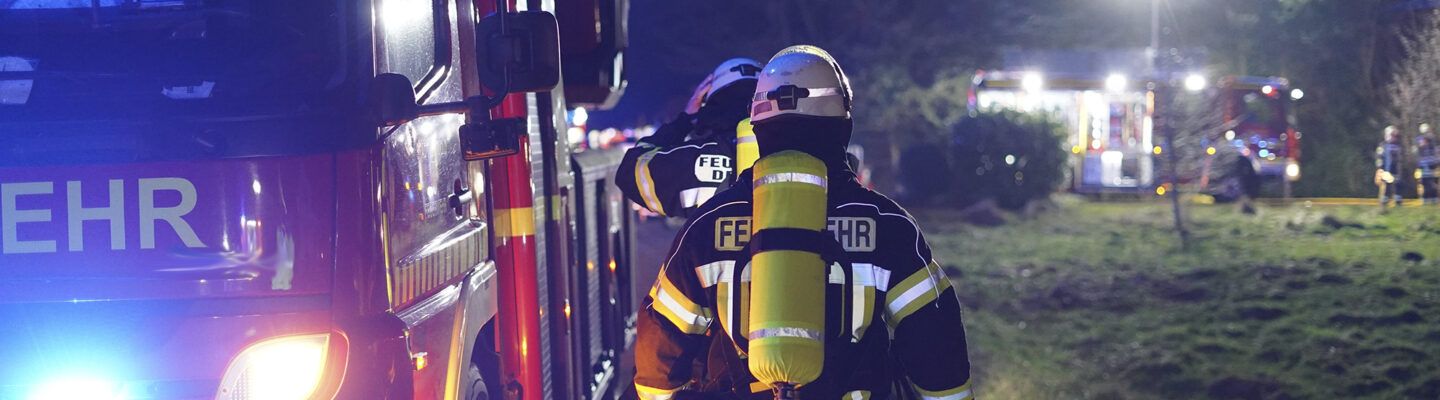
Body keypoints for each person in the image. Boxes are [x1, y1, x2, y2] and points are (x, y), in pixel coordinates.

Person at [633, 45, 974, 400]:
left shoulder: (707, 226)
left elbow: (659, 359)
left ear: (758, 127)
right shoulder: (888, 226)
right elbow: (938, 351)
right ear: (843, 125)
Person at [617, 58, 763, 218]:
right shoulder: (792, 154)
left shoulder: (694, 157)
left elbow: (630, 171)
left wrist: (684, 121)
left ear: (710, 104)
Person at [1377, 126, 1403, 208]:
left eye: (1395, 135)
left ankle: (1398, 202)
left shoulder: (1398, 146)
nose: (1393, 137)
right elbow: (1379, 157)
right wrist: (1380, 168)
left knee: (1398, 185)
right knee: (1387, 186)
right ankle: (1384, 203)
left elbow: (1400, 158)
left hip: (1396, 170)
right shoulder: (1383, 146)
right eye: (1391, 135)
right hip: (1386, 170)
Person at [1419, 133, 1438, 205]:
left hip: (1430, 171)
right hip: (1425, 171)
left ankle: (1433, 200)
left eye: (1423, 141)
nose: (1421, 143)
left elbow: (1435, 160)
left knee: (1432, 185)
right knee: (1426, 185)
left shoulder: (1432, 149)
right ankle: (1426, 200)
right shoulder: (1422, 150)